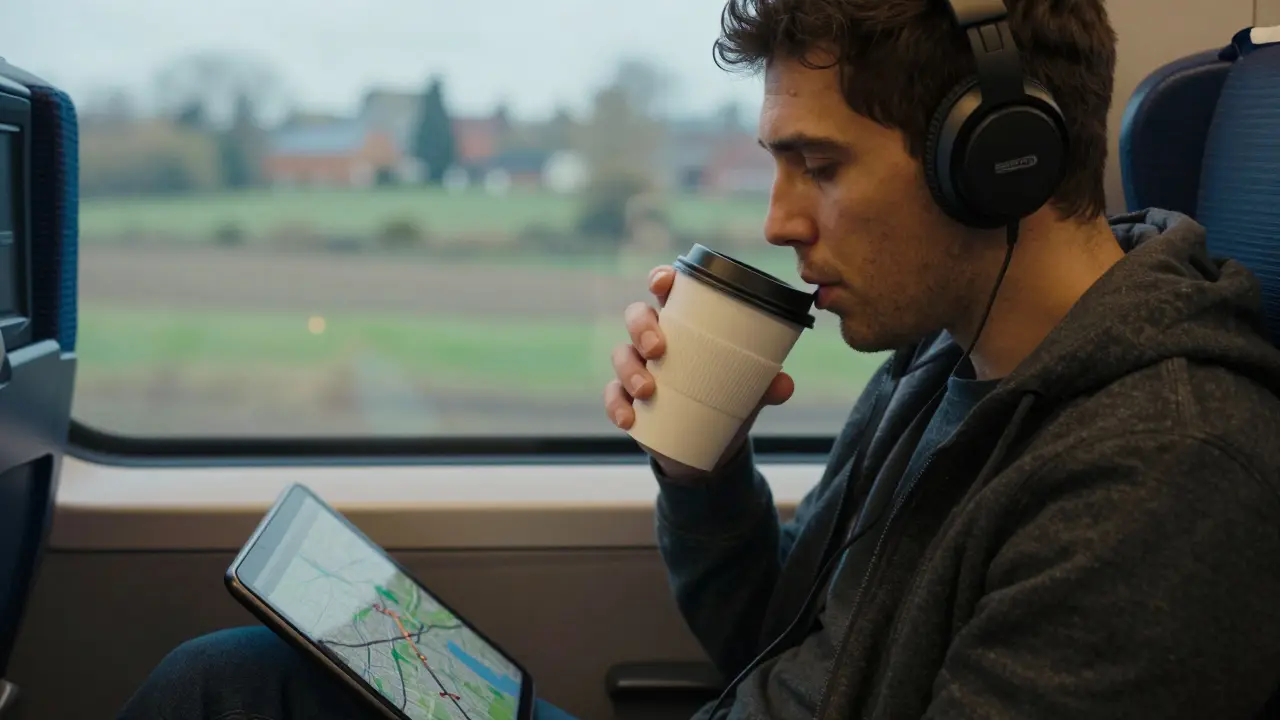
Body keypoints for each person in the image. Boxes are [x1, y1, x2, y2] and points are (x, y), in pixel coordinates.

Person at [119, 0, 1280, 718]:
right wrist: (702, 472)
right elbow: (765, 645)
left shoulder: (1161, 474)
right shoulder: (941, 361)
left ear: (998, 158)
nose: (776, 221)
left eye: (816, 165)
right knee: (232, 677)